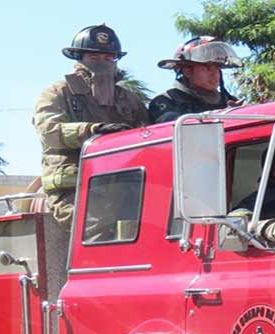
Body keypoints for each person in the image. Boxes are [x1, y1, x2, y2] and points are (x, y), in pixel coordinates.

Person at [33, 24, 147, 232]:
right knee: (95, 236)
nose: (102, 63)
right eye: (94, 58)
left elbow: (152, 134)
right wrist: (93, 131)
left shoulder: (128, 100)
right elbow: (49, 131)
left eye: (108, 58)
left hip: (126, 186)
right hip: (75, 189)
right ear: (79, 59)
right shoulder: (57, 93)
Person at [148, 37, 242, 124]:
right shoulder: (165, 101)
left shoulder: (230, 102)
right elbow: (177, 127)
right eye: (207, 68)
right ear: (187, 71)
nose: (215, 74)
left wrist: (238, 113)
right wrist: (224, 117)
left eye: (217, 68)